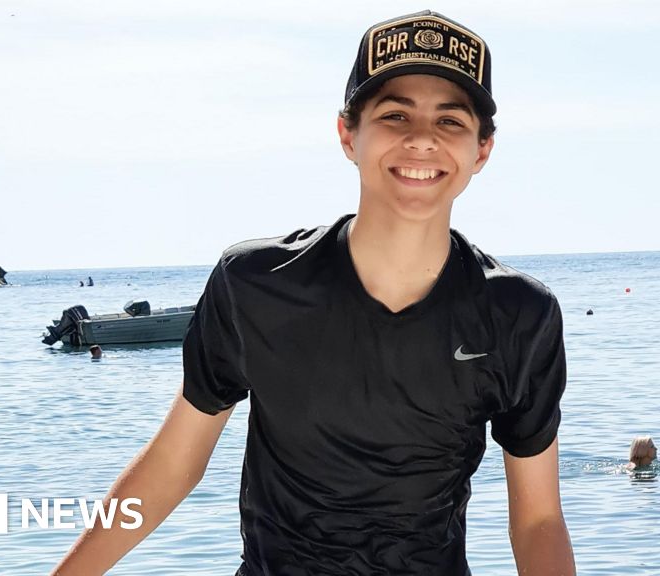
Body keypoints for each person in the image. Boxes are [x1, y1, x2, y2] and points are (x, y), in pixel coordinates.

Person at [53, 10, 574, 575]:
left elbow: (538, 520)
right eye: (395, 115)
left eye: (449, 121)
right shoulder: (255, 284)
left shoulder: (519, 314)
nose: (422, 139)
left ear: (482, 150)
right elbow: (172, 467)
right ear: (348, 134)